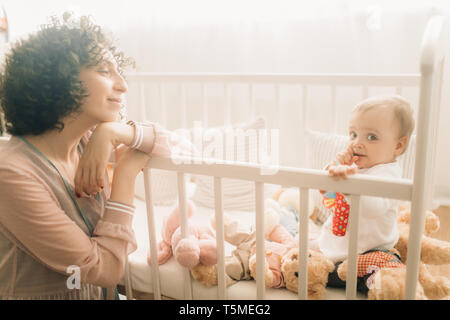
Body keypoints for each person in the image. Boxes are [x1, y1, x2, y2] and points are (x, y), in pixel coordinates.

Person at [0, 12, 191, 299]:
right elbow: (103, 269)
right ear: (57, 81)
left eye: (118, 71)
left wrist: (113, 133)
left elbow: (180, 148)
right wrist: (125, 175)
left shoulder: (86, 143)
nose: (122, 85)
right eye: (104, 71)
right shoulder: (11, 172)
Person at [312, 95, 415, 293]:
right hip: (332, 251)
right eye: (353, 134)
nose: (358, 143)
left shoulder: (389, 175)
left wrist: (347, 184)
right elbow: (331, 202)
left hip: (371, 253)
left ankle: (383, 287)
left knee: (388, 274)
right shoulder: (353, 168)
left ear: (398, 146)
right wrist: (333, 171)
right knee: (299, 251)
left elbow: (371, 208)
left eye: (371, 137)